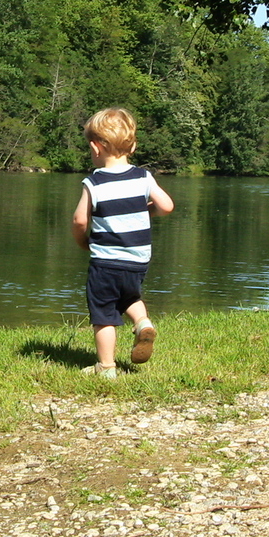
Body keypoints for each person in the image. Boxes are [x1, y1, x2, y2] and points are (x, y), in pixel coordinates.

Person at [72, 108, 174, 379]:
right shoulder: (143, 177)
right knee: (130, 295)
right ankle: (142, 324)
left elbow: (80, 220)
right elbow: (166, 206)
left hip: (106, 260)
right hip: (138, 258)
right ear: (133, 145)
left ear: (95, 147)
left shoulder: (93, 182)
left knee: (104, 312)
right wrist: (146, 210)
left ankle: (106, 367)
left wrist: (82, 241)